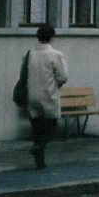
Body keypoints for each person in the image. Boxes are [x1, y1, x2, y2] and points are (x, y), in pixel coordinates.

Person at [25, 24, 69, 168]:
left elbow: (24, 74)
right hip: (48, 95)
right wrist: (57, 84)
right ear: (51, 37)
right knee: (51, 125)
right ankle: (39, 147)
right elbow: (63, 77)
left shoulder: (29, 54)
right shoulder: (55, 55)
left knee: (37, 127)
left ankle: (40, 161)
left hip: (31, 95)